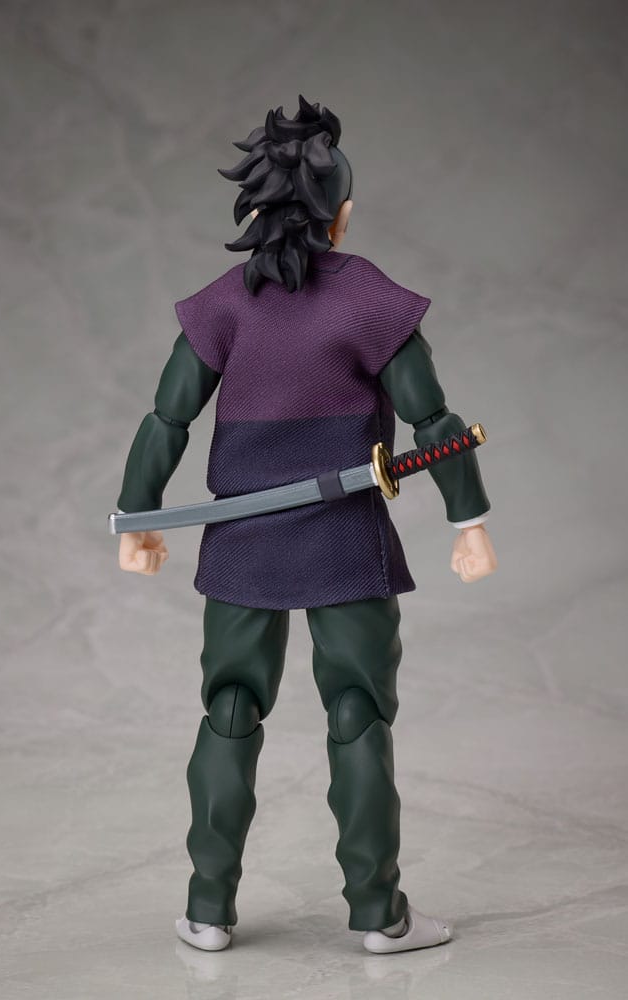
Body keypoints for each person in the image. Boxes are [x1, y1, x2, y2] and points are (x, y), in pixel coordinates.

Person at [115, 96, 497, 953]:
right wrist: (467, 519)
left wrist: (138, 517)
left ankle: (207, 910)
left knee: (229, 709)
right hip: (342, 538)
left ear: (253, 213)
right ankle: (379, 914)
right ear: (341, 216)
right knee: (357, 712)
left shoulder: (226, 302)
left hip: (241, 541)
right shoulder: (364, 300)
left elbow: (166, 418)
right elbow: (433, 420)